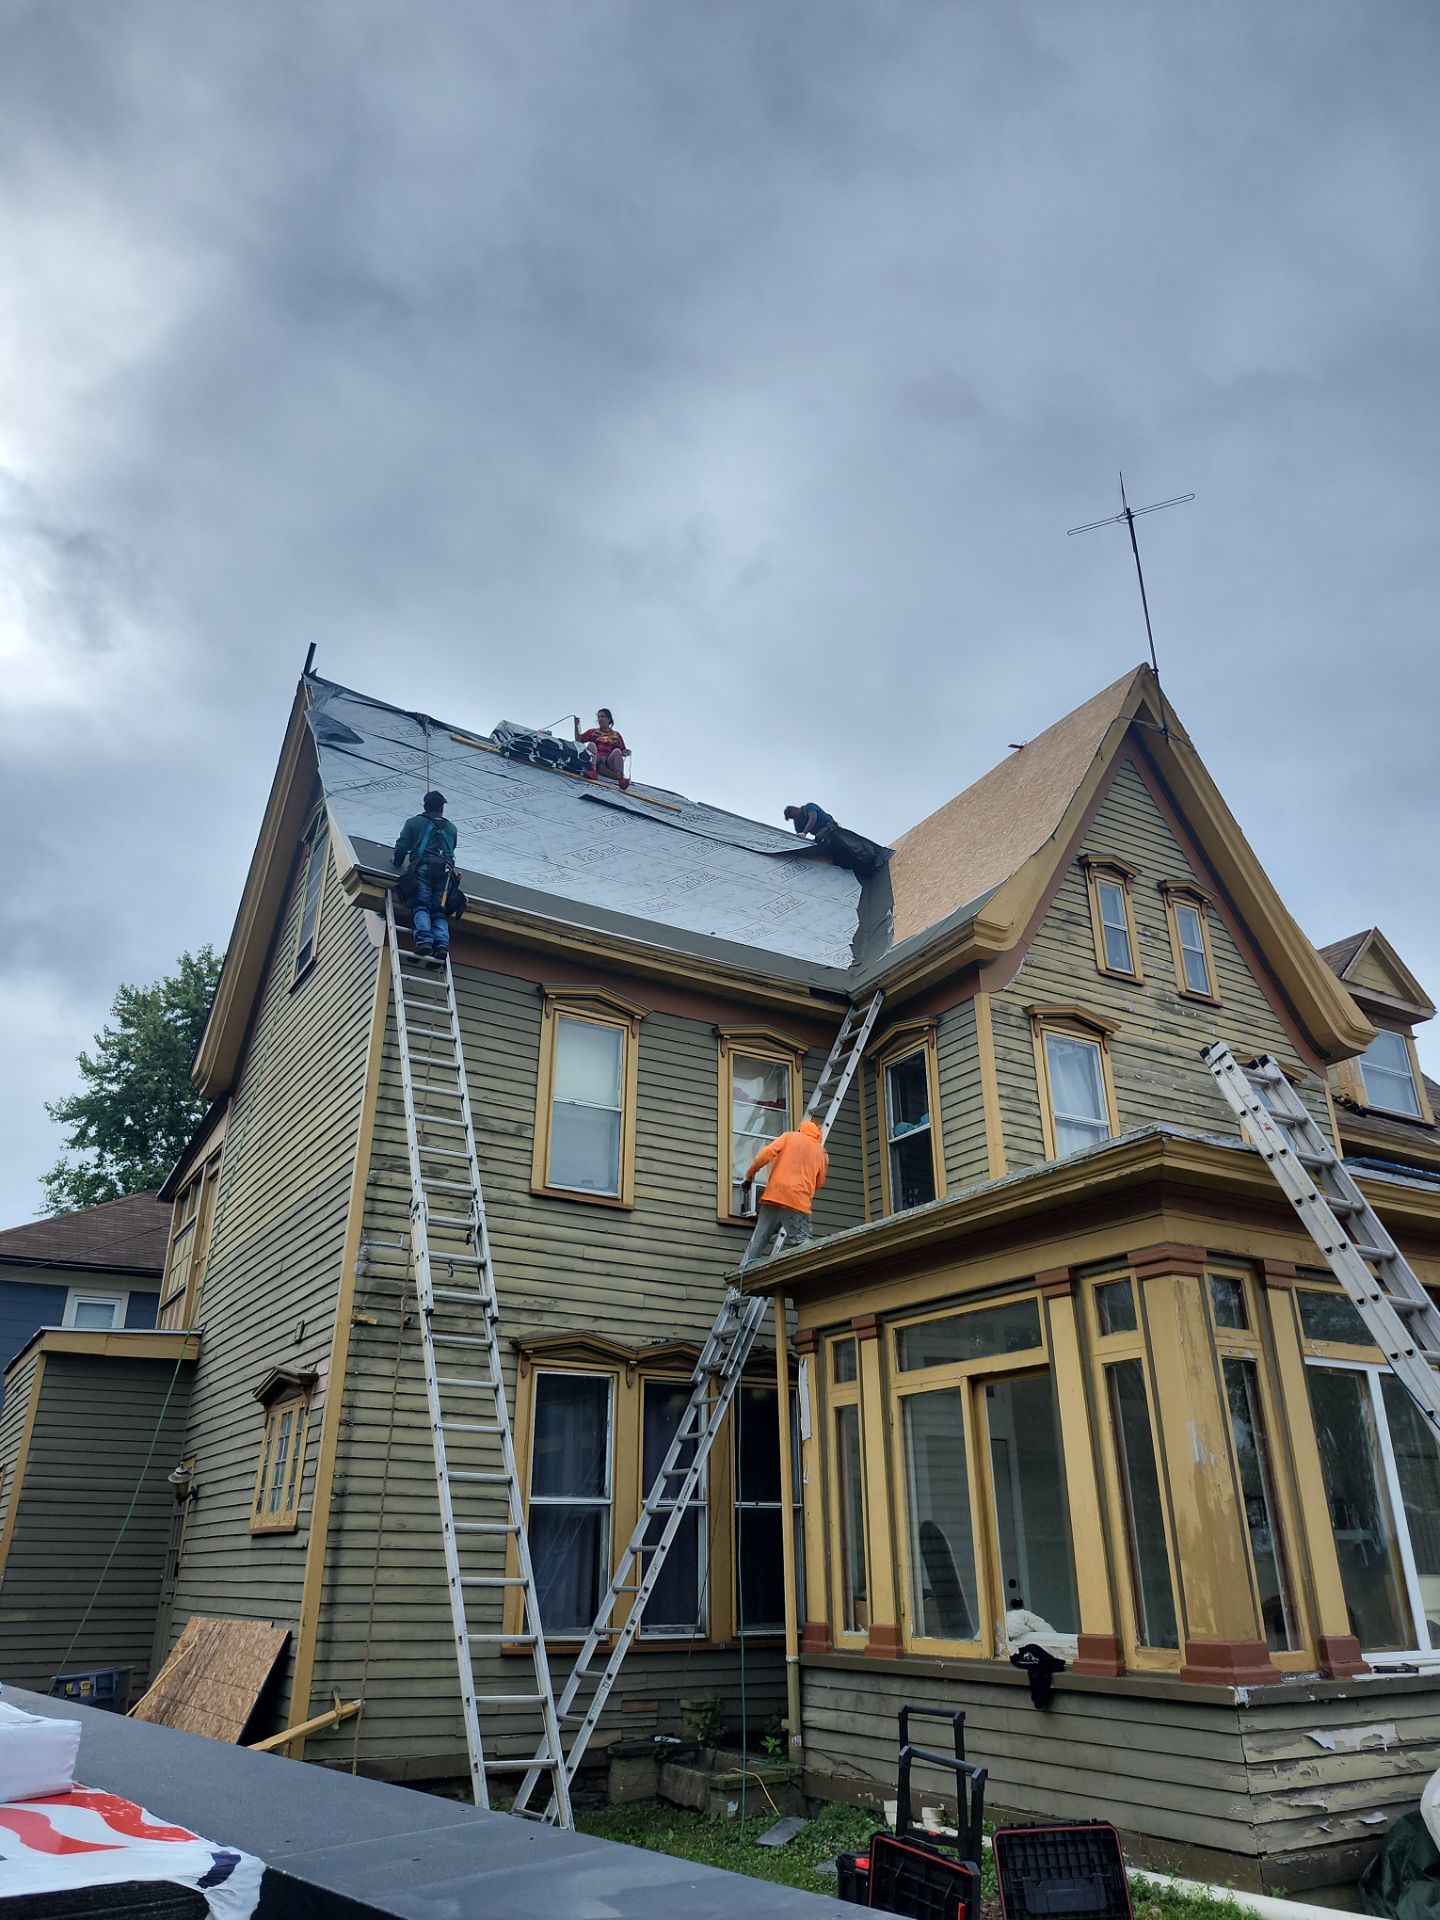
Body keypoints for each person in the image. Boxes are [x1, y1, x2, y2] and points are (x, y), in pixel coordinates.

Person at [739, 1117, 828, 1264]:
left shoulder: (789, 1137)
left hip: (773, 1196)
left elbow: (765, 1154)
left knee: (757, 1244)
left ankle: (742, 1281)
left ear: (801, 1129)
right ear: (818, 1135)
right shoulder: (821, 1152)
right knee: (804, 1243)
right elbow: (819, 1183)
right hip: (797, 1202)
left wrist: (749, 1176)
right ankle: (812, 1277)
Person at [393, 790, 461, 964]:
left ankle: (424, 940)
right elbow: (450, 851)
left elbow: (402, 847)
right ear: (441, 808)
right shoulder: (451, 828)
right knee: (439, 911)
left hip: (422, 868)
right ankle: (441, 946)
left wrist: (397, 862)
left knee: (422, 905)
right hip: (445, 874)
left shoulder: (414, 823)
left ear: (425, 806)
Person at [575, 709, 630, 789]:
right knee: (592, 745)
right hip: (596, 758)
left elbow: (622, 750)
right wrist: (576, 725)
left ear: (609, 719)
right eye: (598, 717)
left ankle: (621, 778)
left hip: (609, 761)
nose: (600, 719)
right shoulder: (593, 732)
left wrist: (627, 752)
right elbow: (579, 740)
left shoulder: (616, 735)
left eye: (602, 716)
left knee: (617, 751)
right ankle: (592, 771)